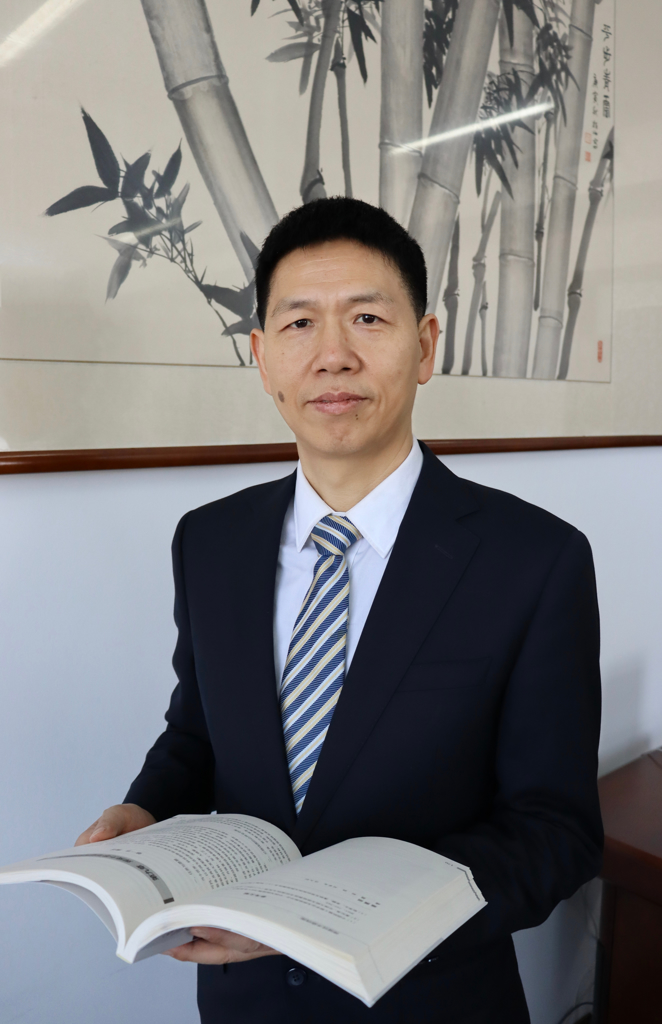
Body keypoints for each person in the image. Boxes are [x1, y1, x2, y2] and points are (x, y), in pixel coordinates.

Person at [76, 197, 602, 1024]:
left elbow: (553, 833)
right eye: (299, 324)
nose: (333, 356)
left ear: (425, 347)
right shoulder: (209, 542)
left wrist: (321, 918)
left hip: (430, 1002)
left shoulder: (535, 560)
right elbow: (198, 732)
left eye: (367, 318)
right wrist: (146, 810)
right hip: (243, 1002)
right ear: (262, 357)